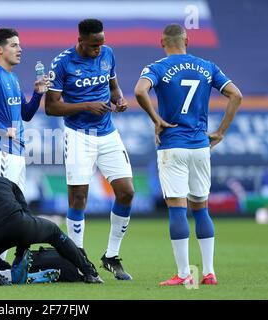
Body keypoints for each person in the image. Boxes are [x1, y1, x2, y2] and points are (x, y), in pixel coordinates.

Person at [134, 24, 242, 286]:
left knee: (177, 210)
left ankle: (183, 274)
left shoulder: (157, 67)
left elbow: (139, 91)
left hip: (173, 146)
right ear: (187, 40)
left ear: (162, 42)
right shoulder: (207, 66)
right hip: (200, 146)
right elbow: (235, 95)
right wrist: (221, 132)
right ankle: (208, 272)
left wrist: (156, 119)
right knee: (201, 209)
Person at [45, 18, 134, 280]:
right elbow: (51, 107)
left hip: (108, 134)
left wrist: (119, 99)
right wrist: (87, 106)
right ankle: (78, 259)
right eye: (94, 45)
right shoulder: (62, 63)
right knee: (79, 198)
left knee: (127, 192)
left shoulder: (108, 54)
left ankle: (111, 256)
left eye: (101, 44)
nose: (98, 49)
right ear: (80, 40)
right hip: (78, 135)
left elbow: (113, 85)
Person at [0, 153, 103, 285]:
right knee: (53, 231)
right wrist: (20, 254)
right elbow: (25, 213)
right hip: (19, 226)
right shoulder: (5, 182)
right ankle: (90, 272)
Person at [0, 28, 50, 193]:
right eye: (14, 45)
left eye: (19, 46)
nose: (20, 49)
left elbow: (26, 114)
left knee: (15, 209)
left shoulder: (13, 78)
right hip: (2, 153)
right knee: (1, 209)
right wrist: (1, 128)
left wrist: (37, 94)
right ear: (0, 49)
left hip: (17, 154)